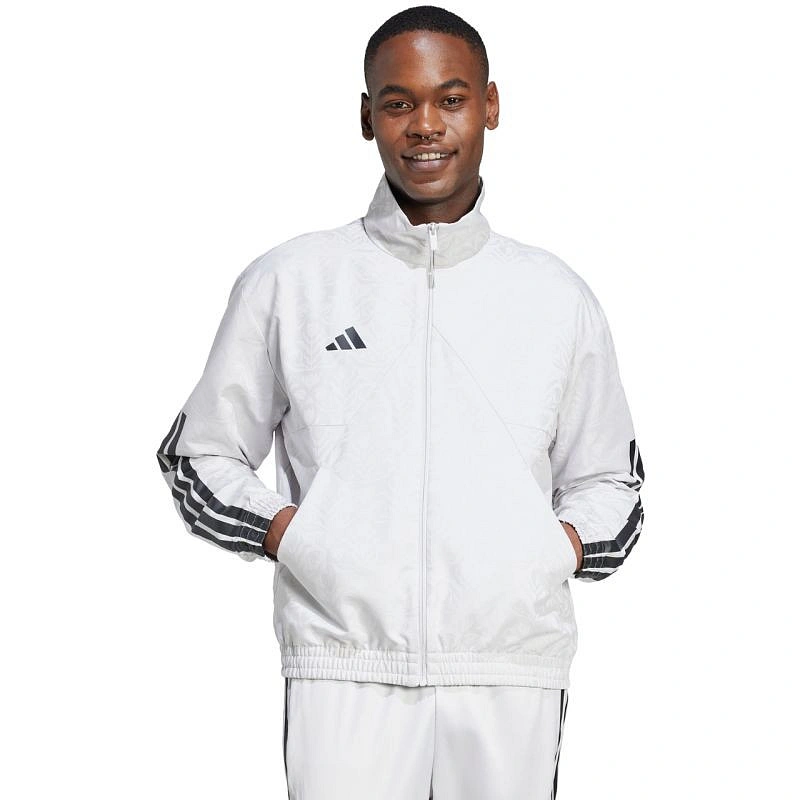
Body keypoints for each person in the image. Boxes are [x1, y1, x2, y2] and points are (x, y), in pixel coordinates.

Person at [156, 5, 645, 798]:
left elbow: (612, 482)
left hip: (510, 667)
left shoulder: (556, 297)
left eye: (451, 99)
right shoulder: (294, 282)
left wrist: (544, 553)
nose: (425, 125)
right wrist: (300, 537)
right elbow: (199, 453)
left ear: (490, 105)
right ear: (366, 116)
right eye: (398, 102)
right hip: (343, 664)